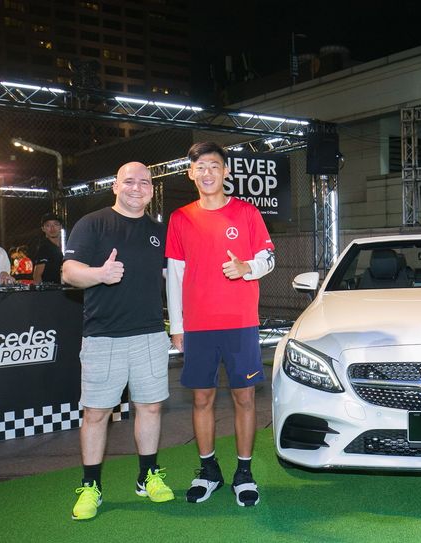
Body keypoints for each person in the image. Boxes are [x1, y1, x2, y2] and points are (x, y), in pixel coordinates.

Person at [62, 162, 174, 521]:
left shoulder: (160, 231)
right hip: (103, 337)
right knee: (96, 414)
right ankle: (91, 486)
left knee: (150, 408)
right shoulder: (92, 223)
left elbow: (175, 276)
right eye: (129, 181)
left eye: (144, 182)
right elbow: (68, 272)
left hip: (150, 334)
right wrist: (100, 274)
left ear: (152, 190)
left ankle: (147, 476)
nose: (136, 188)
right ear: (115, 186)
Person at [166, 142, 275, 507]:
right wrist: (177, 326)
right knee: (202, 398)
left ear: (226, 171)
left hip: (240, 323)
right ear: (191, 173)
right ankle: (209, 470)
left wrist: (248, 268)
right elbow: (175, 275)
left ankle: (244, 473)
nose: (208, 173)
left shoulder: (247, 212)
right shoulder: (180, 218)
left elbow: (268, 257)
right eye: (201, 167)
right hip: (198, 326)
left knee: (245, 397)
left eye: (214, 166)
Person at [33, 213, 64, 284]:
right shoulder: (44, 248)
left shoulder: (63, 245)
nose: (52, 228)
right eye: (48, 225)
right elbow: (37, 275)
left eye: (55, 224)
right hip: (50, 289)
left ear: (60, 227)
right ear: (43, 229)